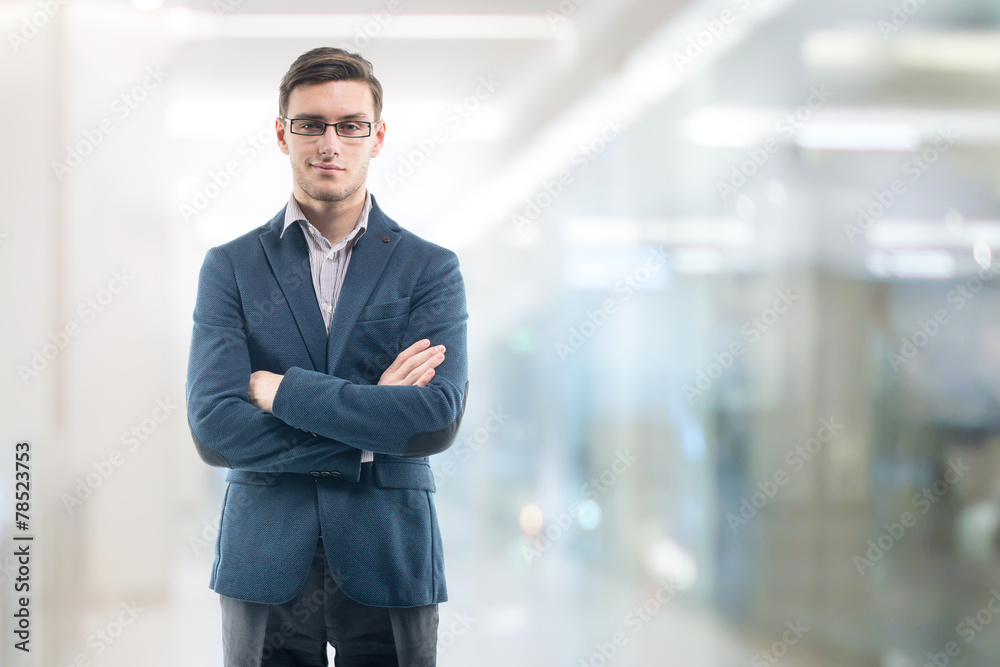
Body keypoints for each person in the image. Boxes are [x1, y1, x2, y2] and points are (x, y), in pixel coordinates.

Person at [185, 46, 469, 667]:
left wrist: (282, 392)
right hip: (264, 557)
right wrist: (372, 431)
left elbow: (435, 419)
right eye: (310, 124)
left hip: (392, 550)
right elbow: (213, 427)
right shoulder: (230, 268)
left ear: (379, 136)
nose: (329, 143)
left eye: (350, 125)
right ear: (282, 134)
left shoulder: (429, 269)